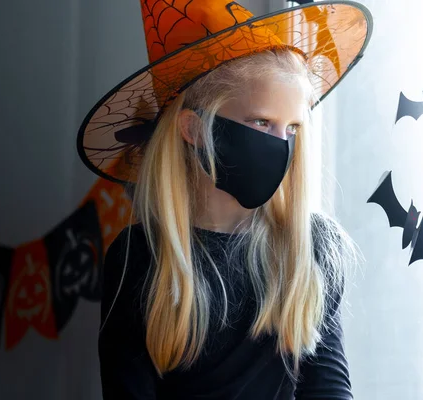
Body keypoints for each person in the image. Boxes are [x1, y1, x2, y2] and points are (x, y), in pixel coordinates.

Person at [76, 1, 372, 398]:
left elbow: (328, 386)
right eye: (261, 123)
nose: (280, 145)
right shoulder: (140, 258)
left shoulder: (309, 245)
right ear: (195, 130)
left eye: (293, 128)